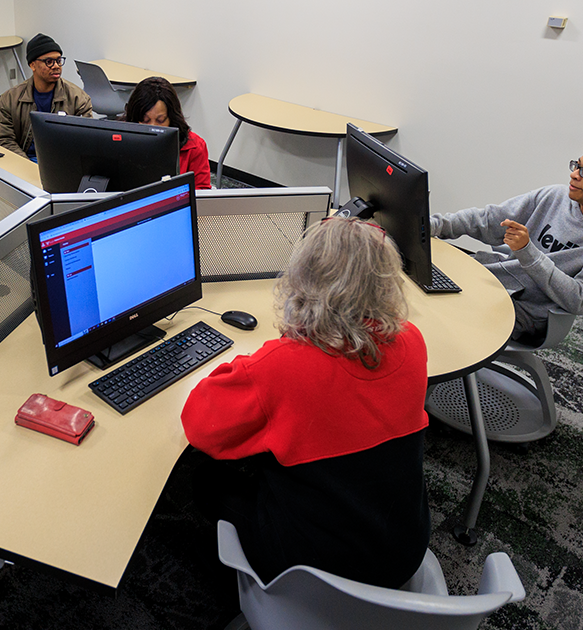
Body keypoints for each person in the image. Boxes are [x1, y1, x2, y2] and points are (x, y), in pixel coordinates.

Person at [182, 217, 430, 588]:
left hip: (313, 572)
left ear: (304, 282)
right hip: (404, 553)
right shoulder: (413, 342)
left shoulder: (280, 368)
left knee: (205, 479)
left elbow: (201, 428)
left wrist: (265, 357)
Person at [432, 130, 583, 341]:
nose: (574, 175)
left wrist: (527, 252)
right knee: (410, 284)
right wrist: (430, 225)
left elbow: (581, 299)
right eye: (577, 165)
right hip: (489, 280)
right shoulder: (553, 196)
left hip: (525, 313)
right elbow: (486, 220)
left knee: (429, 317)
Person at [0, 33, 93, 160]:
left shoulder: (79, 99)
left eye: (58, 60)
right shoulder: (10, 99)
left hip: (62, 162)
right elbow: (4, 140)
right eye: (49, 62)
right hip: (25, 159)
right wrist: (26, 165)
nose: (56, 66)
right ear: (32, 65)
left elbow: (87, 140)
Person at [123, 76, 211, 190]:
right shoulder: (121, 139)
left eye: (160, 120)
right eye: (145, 121)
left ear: (172, 119)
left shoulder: (194, 147)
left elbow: (202, 194)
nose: (152, 127)